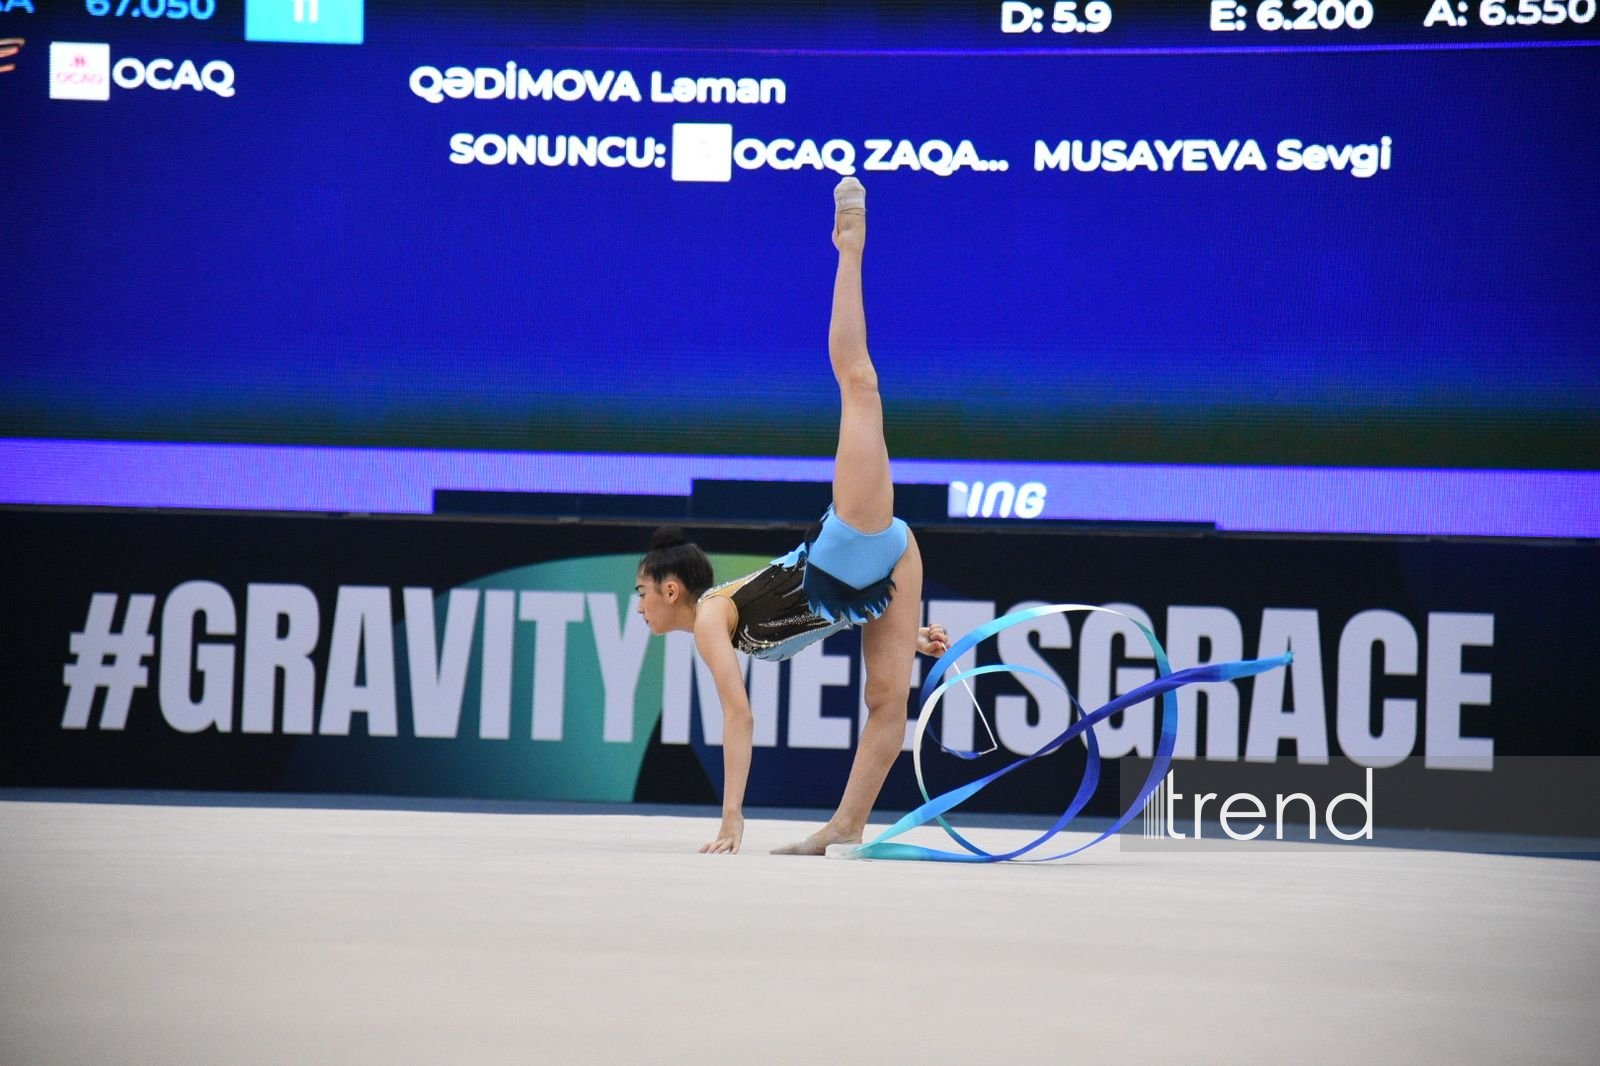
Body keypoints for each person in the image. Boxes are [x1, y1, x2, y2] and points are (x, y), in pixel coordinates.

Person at [634, 177, 950, 855]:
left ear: (671, 588)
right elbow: (813, 617)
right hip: (874, 575)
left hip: (847, 548)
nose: (638, 608)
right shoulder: (721, 613)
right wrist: (909, 627)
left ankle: (849, 246)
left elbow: (739, 716)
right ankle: (846, 825)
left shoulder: (713, 618)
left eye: (640, 593)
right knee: (886, 701)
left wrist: (731, 820)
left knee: (859, 386)